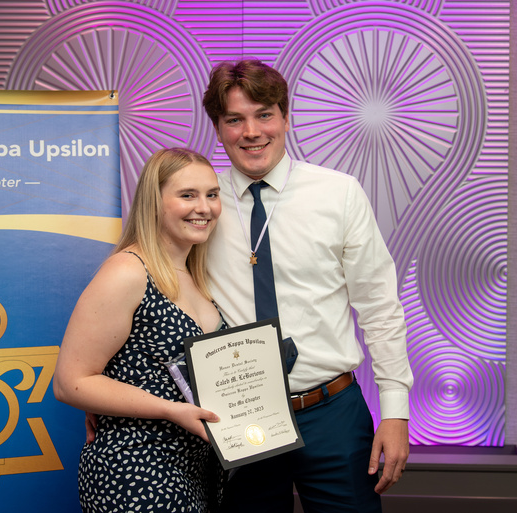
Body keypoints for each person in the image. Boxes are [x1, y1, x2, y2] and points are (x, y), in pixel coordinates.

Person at [202, 59, 413, 512]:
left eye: (264, 115)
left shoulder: (338, 194)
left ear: (285, 118)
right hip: (241, 415)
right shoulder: (201, 204)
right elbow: (153, 293)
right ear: (218, 129)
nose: (251, 132)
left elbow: (379, 306)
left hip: (332, 411)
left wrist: (396, 411)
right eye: (234, 120)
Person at [53, 147, 226, 512]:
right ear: (153, 203)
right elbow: (69, 383)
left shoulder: (197, 274)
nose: (204, 207)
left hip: (198, 469)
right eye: (188, 195)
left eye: (212, 194)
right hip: (136, 469)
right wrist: (170, 410)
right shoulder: (128, 271)